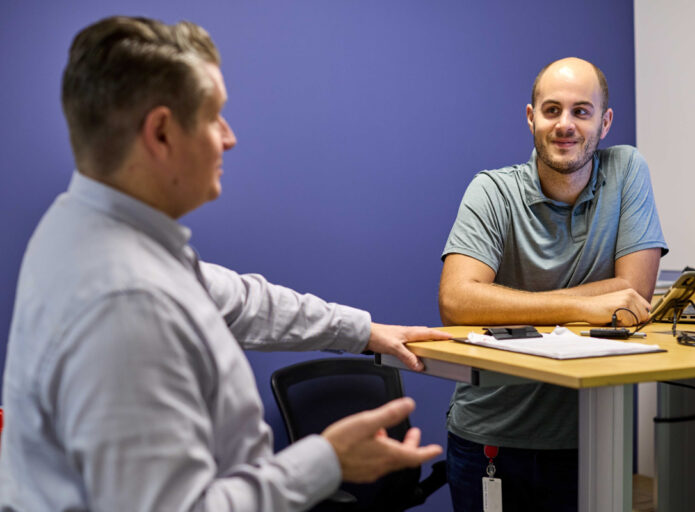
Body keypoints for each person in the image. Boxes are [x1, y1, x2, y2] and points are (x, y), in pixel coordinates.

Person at [0, 16, 451, 511]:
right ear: (162, 133)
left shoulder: (86, 227)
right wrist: (327, 462)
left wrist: (365, 330)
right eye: (215, 116)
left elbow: (243, 301)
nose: (229, 138)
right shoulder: (127, 300)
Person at [439, 57, 668, 511]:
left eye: (581, 111)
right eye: (552, 110)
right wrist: (585, 306)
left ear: (605, 123)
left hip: (592, 436)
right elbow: (456, 299)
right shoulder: (492, 191)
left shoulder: (626, 172)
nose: (565, 125)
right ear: (531, 118)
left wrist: (521, 304)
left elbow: (633, 296)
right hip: (493, 436)